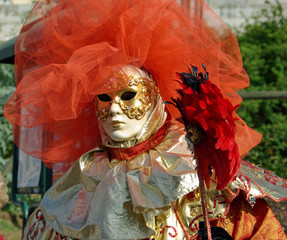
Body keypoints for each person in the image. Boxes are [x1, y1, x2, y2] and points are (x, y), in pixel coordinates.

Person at [4, 0, 287, 239]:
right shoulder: (79, 182)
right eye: (104, 98)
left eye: (128, 95)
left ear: (155, 98)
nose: (114, 109)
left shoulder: (198, 172)